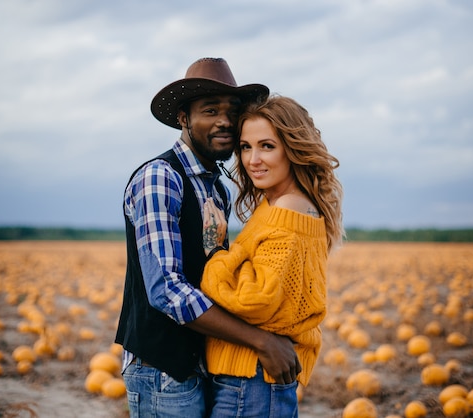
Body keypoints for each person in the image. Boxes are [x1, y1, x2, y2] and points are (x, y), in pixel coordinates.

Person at [115, 58, 302, 418]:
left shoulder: (217, 188)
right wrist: (260, 341)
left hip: (203, 357)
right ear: (184, 118)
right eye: (210, 110)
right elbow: (167, 289)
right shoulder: (160, 177)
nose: (224, 121)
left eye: (232, 112)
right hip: (162, 368)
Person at [200, 95, 345, 417]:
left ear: (292, 149)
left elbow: (254, 298)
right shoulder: (276, 205)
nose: (253, 159)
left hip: (251, 382)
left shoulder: (288, 208)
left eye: (267, 146)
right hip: (249, 379)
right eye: (246, 147)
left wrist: (214, 251)